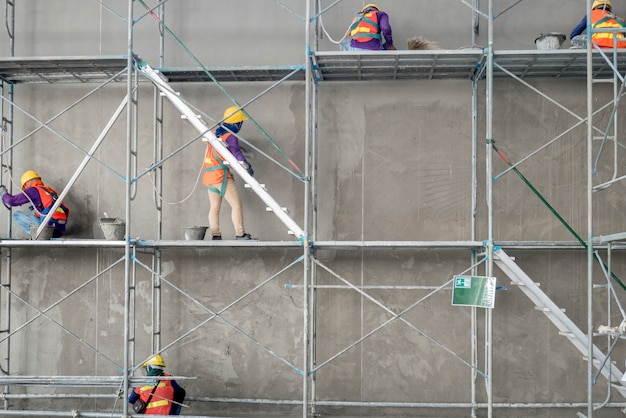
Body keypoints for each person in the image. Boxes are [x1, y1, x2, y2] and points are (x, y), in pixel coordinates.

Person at [203, 106, 256, 240]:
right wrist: (246, 165)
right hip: (221, 176)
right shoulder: (230, 137)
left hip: (209, 176)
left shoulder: (214, 134)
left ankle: (215, 235)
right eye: (240, 122)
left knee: (214, 207)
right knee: (236, 205)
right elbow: (236, 154)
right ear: (236, 123)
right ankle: (240, 234)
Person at [0, 170, 69, 238]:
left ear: (28, 183)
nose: (25, 189)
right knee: (35, 212)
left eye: (25, 187)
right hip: (60, 229)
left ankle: (36, 235)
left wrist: (3, 193)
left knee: (16, 215)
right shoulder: (50, 191)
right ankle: (41, 234)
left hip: (47, 228)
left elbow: (11, 201)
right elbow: (66, 211)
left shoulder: (33, 190)